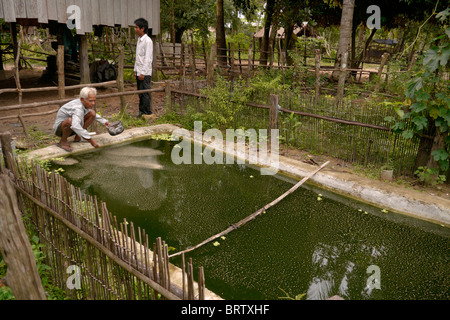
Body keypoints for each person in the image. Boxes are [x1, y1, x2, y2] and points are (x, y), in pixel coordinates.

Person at [52, 87, 110, 152]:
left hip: (73, 127)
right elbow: (75, 125)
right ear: (82, 99)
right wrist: (90, 140)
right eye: (90, 101)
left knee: (92, 113)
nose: (93, 103)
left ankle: (78, 137)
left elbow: (93, 115)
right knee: (70, 121)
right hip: (60, 130)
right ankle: (63, 141)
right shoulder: (77, 108)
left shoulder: (84, 103)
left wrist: (104, 121)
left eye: (94, 100)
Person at [134, 18, 154, 118]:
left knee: (145, 92)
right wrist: (135, 70)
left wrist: (143, 72)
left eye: (137, 27)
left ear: (142, 29)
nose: (135, 29)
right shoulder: (139, 40)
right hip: (139, 71)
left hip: (144, 72)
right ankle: (141, 112)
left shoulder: (148, 41)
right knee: (140, 92)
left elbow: (148, 58)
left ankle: (147, 112)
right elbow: (137, 57)